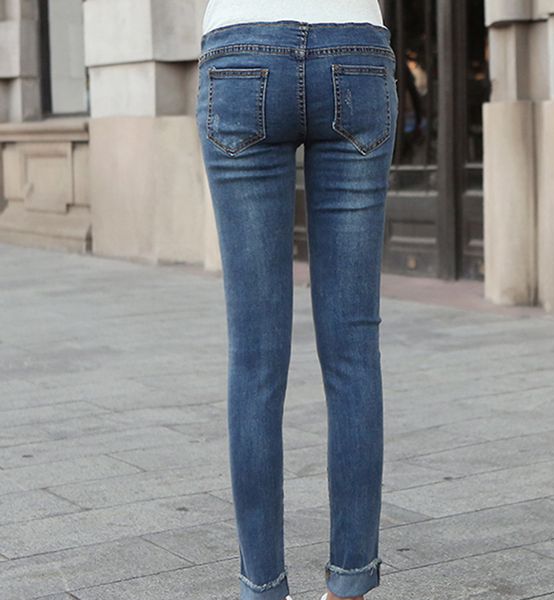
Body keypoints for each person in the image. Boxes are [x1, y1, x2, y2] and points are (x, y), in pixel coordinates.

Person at [195, 2, 398, 599]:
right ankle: (350, 584)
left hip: (241, 51)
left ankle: (262, 587)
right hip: (355, 48)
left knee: (254, 358)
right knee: (354, 353)